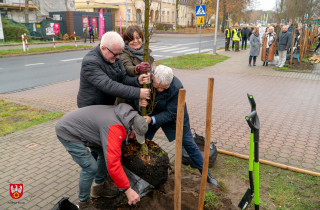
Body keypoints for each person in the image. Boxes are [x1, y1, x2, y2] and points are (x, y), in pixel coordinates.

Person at [55, 103, 148, 210]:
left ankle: (98, 188)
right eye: (135, 135)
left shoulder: (127, 116)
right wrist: (127, 190)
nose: (134, 138)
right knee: (90, 167)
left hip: (85, 129)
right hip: (68, 130)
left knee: (104, 155)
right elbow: (113, 164)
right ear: (132, 128)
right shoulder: (115, 128)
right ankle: (83, 203)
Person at [138, 65, 219, 186]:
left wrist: (152, 119)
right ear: (154, 77)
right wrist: (139, 102)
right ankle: (139, 172)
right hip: (150, 113)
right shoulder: (146, 79)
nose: (160, 90)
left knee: (189, 144)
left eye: (164, 88)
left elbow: (170, 113)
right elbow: (135, 94)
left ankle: (206, 173)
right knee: (142, 140)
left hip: (175, 117)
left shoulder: (177, 87)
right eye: (158, 87)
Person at [77, 31, 151, 159]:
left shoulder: (115, 57)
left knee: (105, 142)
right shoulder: (90, 62)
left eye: (119, 54)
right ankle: (96, 172)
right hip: (91, 108)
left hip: (105, 106)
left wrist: (137, 81)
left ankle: (104, 168)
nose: (118, 58)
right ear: (103, 48)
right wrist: (138, 93)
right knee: (96, 144)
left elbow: (122, 78)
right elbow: (109, 86)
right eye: (115, 54)